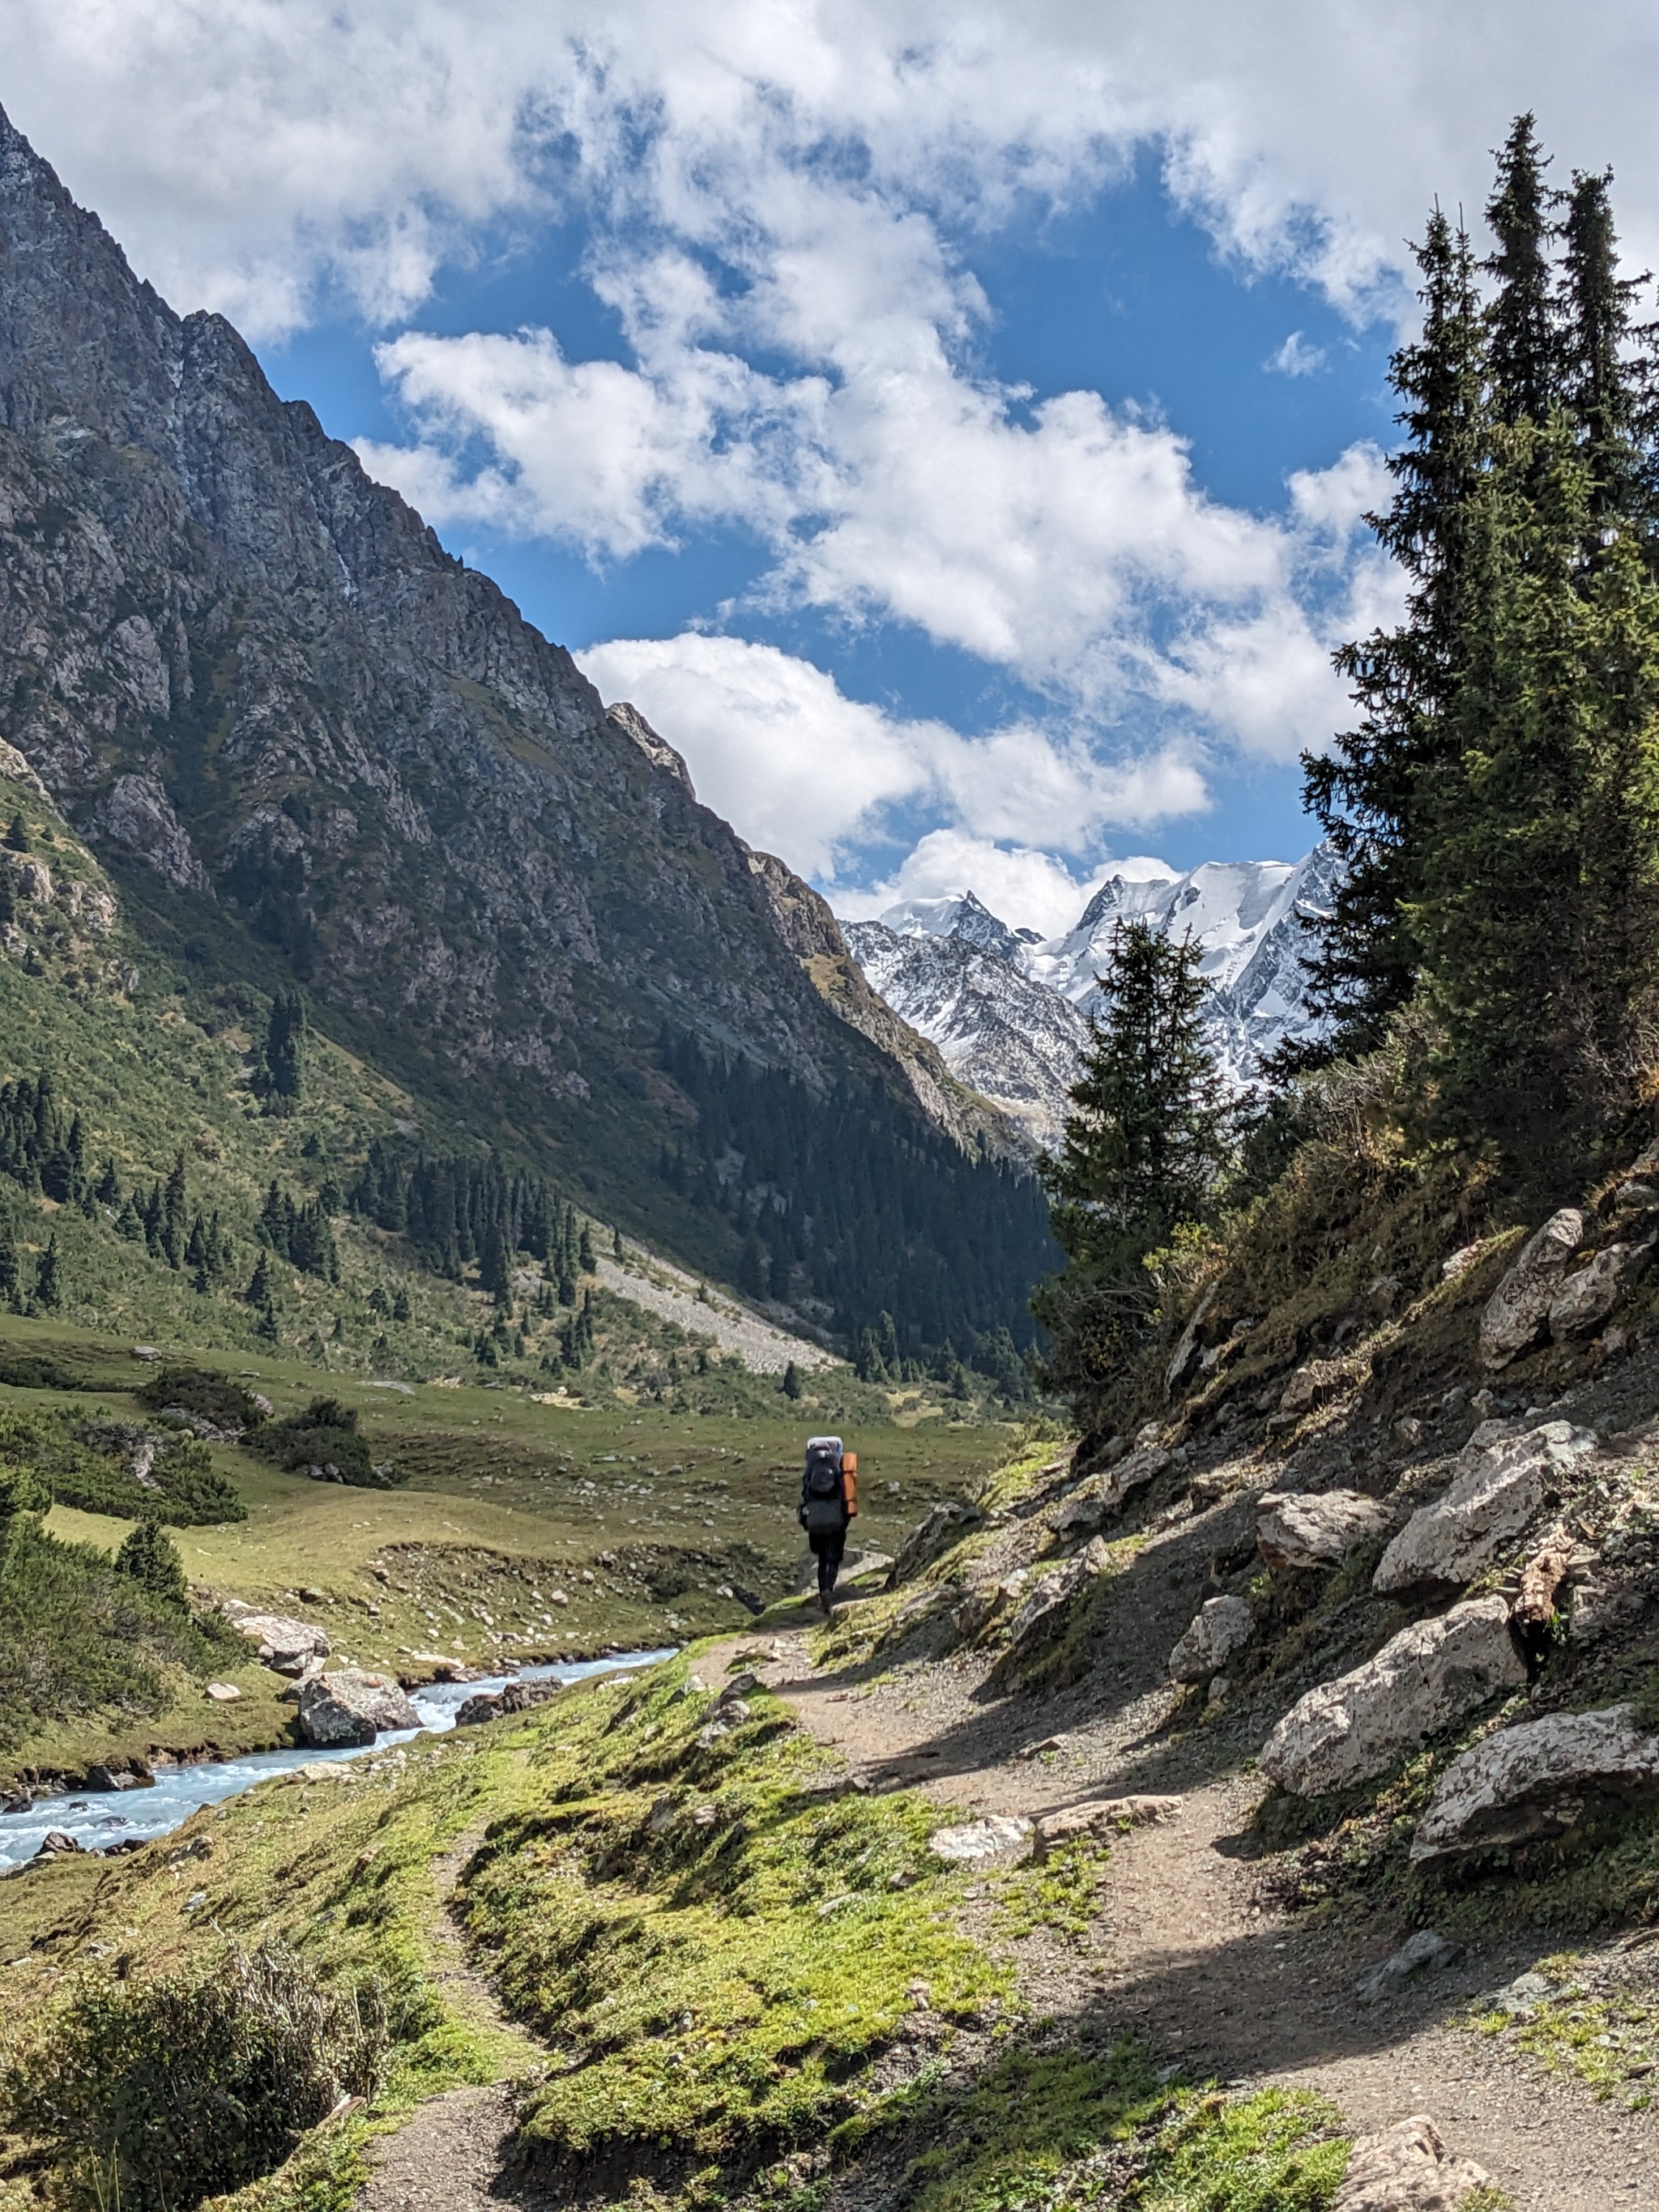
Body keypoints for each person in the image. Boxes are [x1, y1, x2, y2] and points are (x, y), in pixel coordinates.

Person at [798, 1433, 857, 1614]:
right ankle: (828, 1591)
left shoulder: (810, 1471)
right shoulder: (839, 1468)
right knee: (833, 1558)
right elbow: (847, 1495)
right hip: (836, 1519)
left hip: (816, 1520)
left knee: (823, 1558)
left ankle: (823, 1591)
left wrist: (805, 1521)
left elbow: (804, 1497)